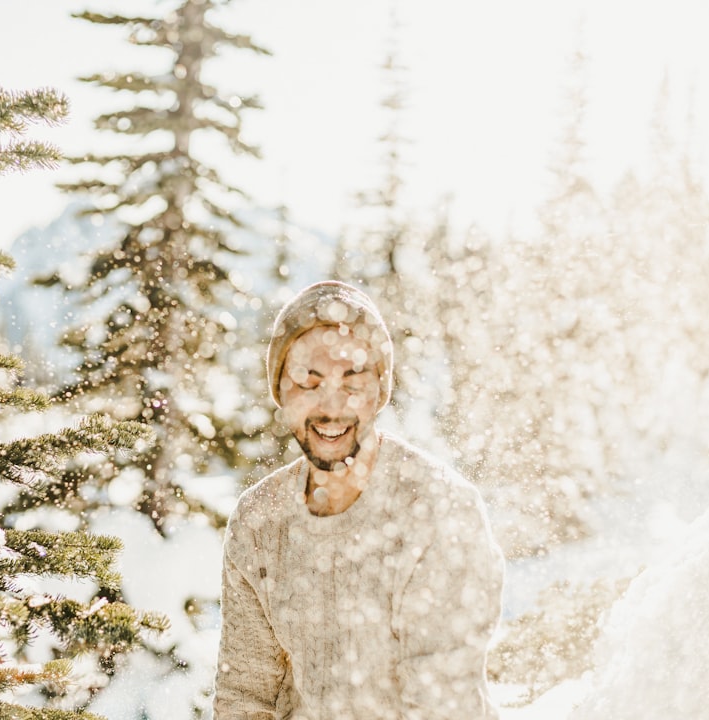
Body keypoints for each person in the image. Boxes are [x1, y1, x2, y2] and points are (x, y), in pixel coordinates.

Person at [213, 280, 504, 720]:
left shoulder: (440, 510)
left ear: (379, 389)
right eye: (309, 383)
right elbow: (245, 695)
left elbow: (442, 705)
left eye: (352, 380)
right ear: (281, 392)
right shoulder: (259, 521)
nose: (332, 407)